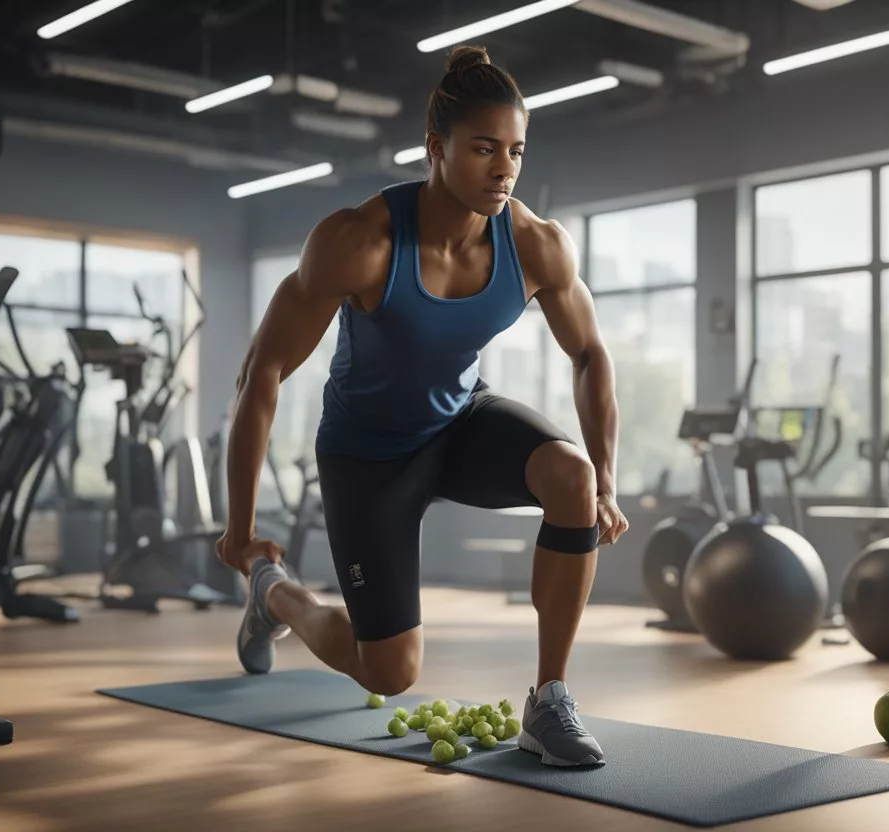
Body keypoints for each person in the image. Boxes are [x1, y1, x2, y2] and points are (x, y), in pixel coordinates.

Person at [215, 44, 628, 767]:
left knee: (572, 478)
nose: (504, 169)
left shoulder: (535, 245)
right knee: (390, 672)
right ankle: (273, 595)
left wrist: (607, 476)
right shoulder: (359, 243)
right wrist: (241, 530)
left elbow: (590, 353)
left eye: (517, 152)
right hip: (367, 456)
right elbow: (264, 371)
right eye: (484, 149)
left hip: (459, 422)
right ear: (435, 148)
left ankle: (551, 699)